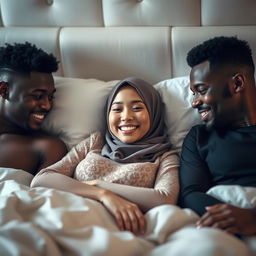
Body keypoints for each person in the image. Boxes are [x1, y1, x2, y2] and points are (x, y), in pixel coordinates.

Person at [31, 77, 180, 235]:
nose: (126, 116)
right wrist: (102, 195)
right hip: (64, 219)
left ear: (154, 112)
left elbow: (165, 199)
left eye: (137, 108)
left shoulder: (166, 157)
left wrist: (99, 185)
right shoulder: (96, 142)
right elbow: (42, 179)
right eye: (117, 109)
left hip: (115, 232)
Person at [179, 36, 256, 236]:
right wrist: (232, 218)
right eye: (193, 93)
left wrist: (252, 218)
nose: (195, 103)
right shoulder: (199, 137)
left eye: (202, 90)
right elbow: (190, 194)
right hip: (221, 229)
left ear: (237, 83)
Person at [0, 42, 67, 175]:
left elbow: (47, 194)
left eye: (50, 97)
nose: (47, 106)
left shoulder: (46, 148)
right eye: (37, 96)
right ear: (4, 90)